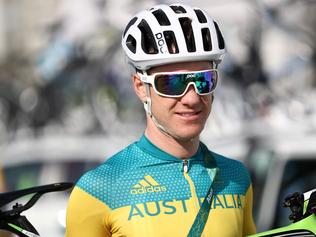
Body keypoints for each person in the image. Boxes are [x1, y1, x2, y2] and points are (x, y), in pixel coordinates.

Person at [65, 3, 256, 237]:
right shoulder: (99, 189)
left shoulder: (236, 177)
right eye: (172, 83)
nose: (192, 98)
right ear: (141, 87)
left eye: (204, 79)